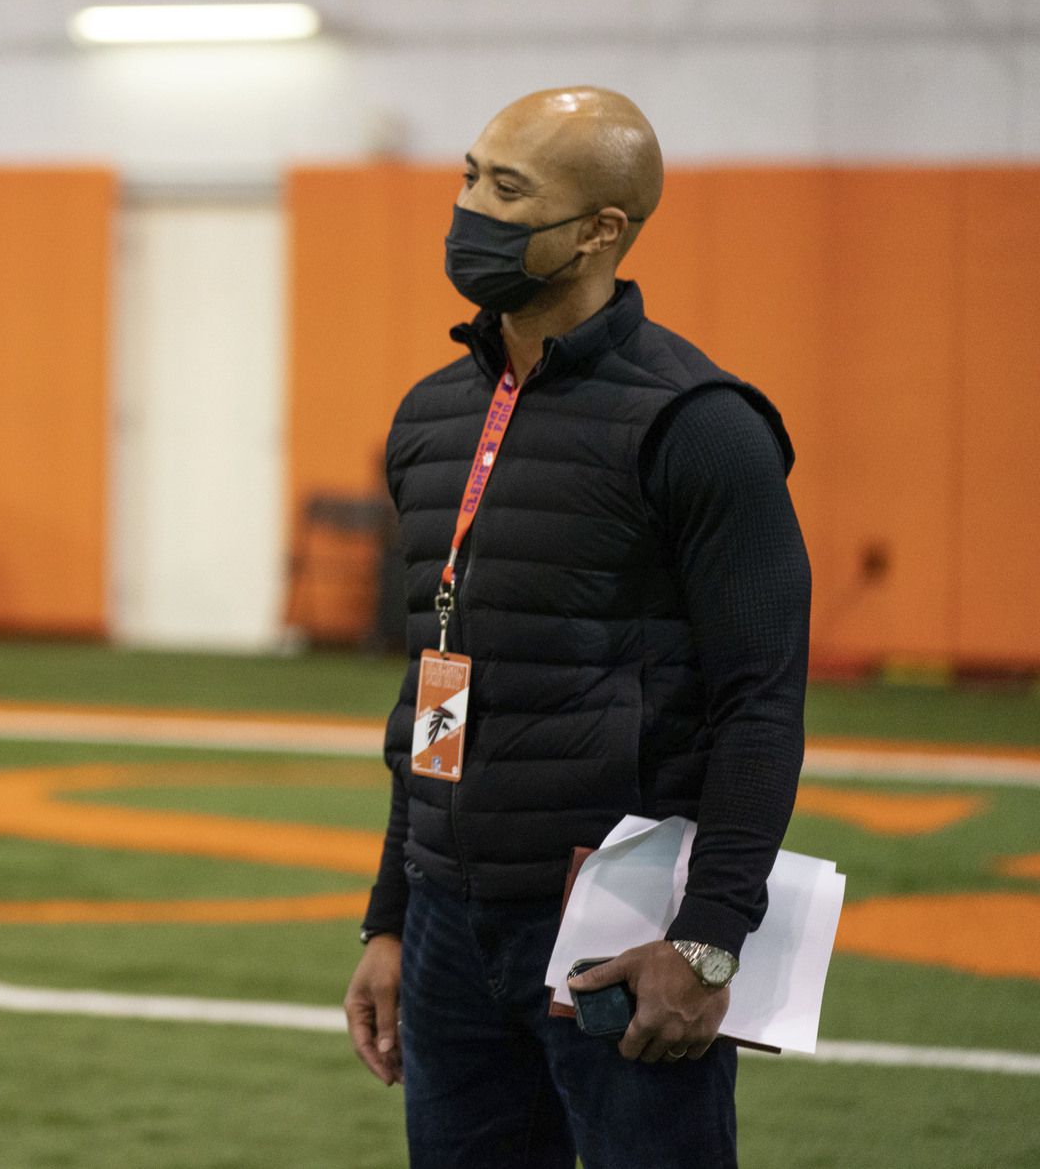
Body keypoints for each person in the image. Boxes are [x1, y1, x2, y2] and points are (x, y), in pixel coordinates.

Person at [341, 87, 810, 1168]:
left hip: (620, 933)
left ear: (602, 229)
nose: (469, 209)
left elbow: (759, 699)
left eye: (507, 190)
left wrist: (705, 942)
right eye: (467, 176)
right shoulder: (428, 417)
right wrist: (391, 917)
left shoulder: (701, 426)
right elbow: (434, 688)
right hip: (449, 934)